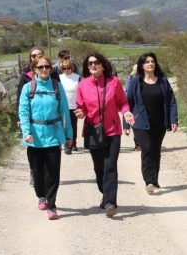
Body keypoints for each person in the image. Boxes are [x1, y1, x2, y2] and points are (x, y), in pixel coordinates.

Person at [74, 52, 135, 218]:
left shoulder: (113, 82)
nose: (93, 65)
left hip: (112, 131)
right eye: (90, 63)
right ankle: (105, 194)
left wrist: (127, 112)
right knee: (99, 168)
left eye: (96, 62)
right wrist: (81, 113)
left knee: (110, 165)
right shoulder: (83, 85)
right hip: (93, 131)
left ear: (103, 65)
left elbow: (122, 102)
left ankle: (110, 202)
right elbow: (82, 107)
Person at [18, 54, 73, 220]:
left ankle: (51, 204)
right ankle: (41, 195)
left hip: (53, 135)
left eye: (47, 67)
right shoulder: (29, 88)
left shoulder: (56, 86)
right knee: (37, 171)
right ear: (34, 69)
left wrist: (69, 135)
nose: (44, 69)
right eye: (40, 67)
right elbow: (23, 112)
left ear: (51, 68)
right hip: (34, 137)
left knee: (53, 172)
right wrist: (26, 132)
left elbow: (64, 112)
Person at [125, 52, 178, 195]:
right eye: (147, 62)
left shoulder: (162, 80)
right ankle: (149, 181)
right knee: (147, 149)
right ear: (142, 65)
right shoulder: (136, 81)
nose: (150, 64)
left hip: (159, 123)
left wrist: (173, 119)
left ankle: (154, 179)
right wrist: (126, 124)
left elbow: (171, 101)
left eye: (152, 61)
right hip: (140, 123)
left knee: (156, 151)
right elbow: (128, 102)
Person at [17, 46, 60, 186]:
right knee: (33, 147)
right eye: (33, 55)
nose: (36, 57)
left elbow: (59, 96)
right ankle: (33, 170)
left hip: (50, 120)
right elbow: (21, 99)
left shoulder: (52, 74)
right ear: (30, 59)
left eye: (39, 54)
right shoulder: (25, 75)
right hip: (32, 118)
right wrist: (20, 118)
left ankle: (46, 176)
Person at [59, 59, 81, 154]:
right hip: (63, 105)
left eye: (68, 68)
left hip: (74, 105)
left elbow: (81, 92)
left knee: (73, 126)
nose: (66, 70)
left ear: (71, 68)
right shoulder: (59, 78)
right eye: (64, 68)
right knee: (64, 125)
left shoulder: (77, 78)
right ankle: (67, 144)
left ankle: (73, 143)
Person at [124, 64, 140, 152]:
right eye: (136, 71)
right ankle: (137, 144)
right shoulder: (130, 79)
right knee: (135, 126)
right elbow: (127, 91)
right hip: (133, 105)